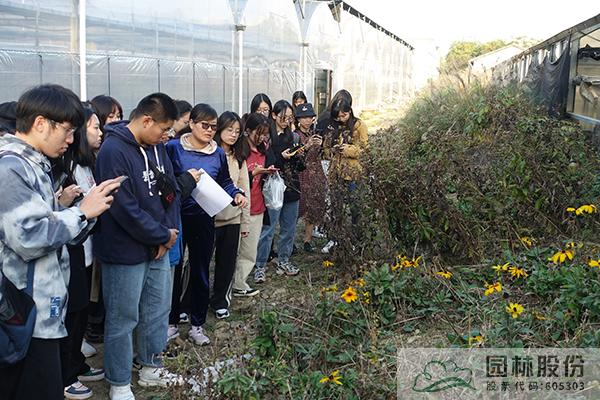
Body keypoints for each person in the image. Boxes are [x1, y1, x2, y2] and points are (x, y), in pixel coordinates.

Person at [0, 84, 121, 400]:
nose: (71, 139)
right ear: (40, 123)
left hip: (41, 312)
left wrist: (91, 209)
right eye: (67, 130)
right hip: (25, 315)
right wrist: (81, 212)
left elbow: (56, 228)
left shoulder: (35, 164)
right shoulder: (10, 168)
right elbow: (28, 237)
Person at [93, 92, 183, 399]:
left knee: (157, 311)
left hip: (159, 244)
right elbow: (123, 208)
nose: (166, 135)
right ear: (147, 120)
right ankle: (119, 381)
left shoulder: (157, 149)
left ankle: (151, 366)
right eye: (163, 129)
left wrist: (167, 232)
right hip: (125, 251)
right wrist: (160, 236)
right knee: (123, 317)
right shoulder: (113, 150)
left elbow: (170, 191)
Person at [166, 103, 246, 345]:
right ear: (191, 123)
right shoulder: (173, 148)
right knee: (174, 269)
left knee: (201, 269)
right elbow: (166, 182)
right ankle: (170, 321)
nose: (210, 130)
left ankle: (197, 324)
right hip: (176, 217)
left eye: (213, 126)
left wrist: (236, 193)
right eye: (205, 125)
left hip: (204, 216)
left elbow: (225, 181)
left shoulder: (217, 153)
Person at [59, 105, 106, 399]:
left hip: (87, 249)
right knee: (72, 313)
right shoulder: (67, 168)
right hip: (72, 249)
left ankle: (75, 363)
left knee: (80, 311)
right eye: (95, 127)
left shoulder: (87, 165)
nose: (100, 133)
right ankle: (65, 376)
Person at [254, 100, 305, 282]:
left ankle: (284, 259)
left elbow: (300, 167)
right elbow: (267, 164)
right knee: (269, 229)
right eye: (283, 117)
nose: (286, 120)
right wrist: (281, 158)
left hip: (292, 187)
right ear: (274, 115)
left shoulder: (295, 137)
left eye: (290, 117)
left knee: (289, 228)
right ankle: (260, 265)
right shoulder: (267, 138)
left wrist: (299, 156)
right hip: (273, 188)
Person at [211, 111, 251, 317]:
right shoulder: (209, 153)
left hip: (232, 218)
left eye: (237, 131)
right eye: (229, 130)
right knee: (199, 264)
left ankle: (220, 301)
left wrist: (245, 223)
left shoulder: (239, 158)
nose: (234, 135)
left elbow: (245, 190)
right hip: (209, 219)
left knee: (226, 263)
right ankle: (187, 303)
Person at [235, 113, 277, 291]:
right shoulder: (239, 152)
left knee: (250, 250)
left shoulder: (263, 152)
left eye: (265, 134)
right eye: (258, 133)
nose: (261, 137)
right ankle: (228, 284)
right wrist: (254, 173)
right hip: (238, 207)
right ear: (247, 131)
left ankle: (240, 283)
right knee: (234, 249)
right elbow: (233, 180)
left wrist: (269, 172)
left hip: (257, 205)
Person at [321, 97, 368, 253]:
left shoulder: (359, 126)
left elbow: (364, 149)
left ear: (350, 112)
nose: (340, 119)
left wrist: (347, 149)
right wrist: (330, 149)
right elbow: (326, 149)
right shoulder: (333, 126)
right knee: (336, 208)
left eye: (343, 116)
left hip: (353, 174)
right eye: (337, 117)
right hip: (336, 173)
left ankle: (356, 241)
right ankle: (334, 239)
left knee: (356, 209)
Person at [294, 103, 326, 252]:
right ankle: (291, 240)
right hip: (301, 173)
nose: (307, 120)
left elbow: (324, 153)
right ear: (298, 119)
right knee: (297, 208)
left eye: (310, 117)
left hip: (315, 171)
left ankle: (307, 240)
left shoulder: (316, 133)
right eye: (303, 117)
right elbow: (293, 155)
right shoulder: (294, 135)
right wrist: (305, 146)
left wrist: (322, 144)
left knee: (313, 206)